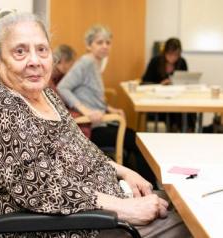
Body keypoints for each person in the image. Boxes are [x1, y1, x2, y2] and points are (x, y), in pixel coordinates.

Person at [0, 11, 190, 238]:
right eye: (20, 52)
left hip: (99, 204)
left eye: (41, 49)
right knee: (190, 224)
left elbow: (83, 149)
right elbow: (38, 188)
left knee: (185, 204)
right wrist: (126, 209)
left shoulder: (46, 96)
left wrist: (124, 171)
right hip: (62, 226)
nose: (34, 61)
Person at [57, 25, 157, 186]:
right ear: (89, 45)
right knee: (138, 142)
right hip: (91, 128)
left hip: (100, 121)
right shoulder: (86, 63)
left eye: (108, 42)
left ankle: (139, 184)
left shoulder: (96, 63)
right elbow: (63, 87)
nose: (105, 46)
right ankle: (149, 186)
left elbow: (91, 93)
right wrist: (85, 110)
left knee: (134, 139)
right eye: (99, 42)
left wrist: (110, 108)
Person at [141, 38, 195, 131]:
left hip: (177, 98)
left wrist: (176, 83)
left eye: (176, 55)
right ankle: (174, 129)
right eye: (170, 54)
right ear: (165, 52)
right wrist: (160, 84)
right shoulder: (155, 61)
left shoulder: (182, 62)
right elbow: (145, 82)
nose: (173, 58)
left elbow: (186, 81)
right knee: (174, 112)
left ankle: (187, 130)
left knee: (189, 111)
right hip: (158, 100)